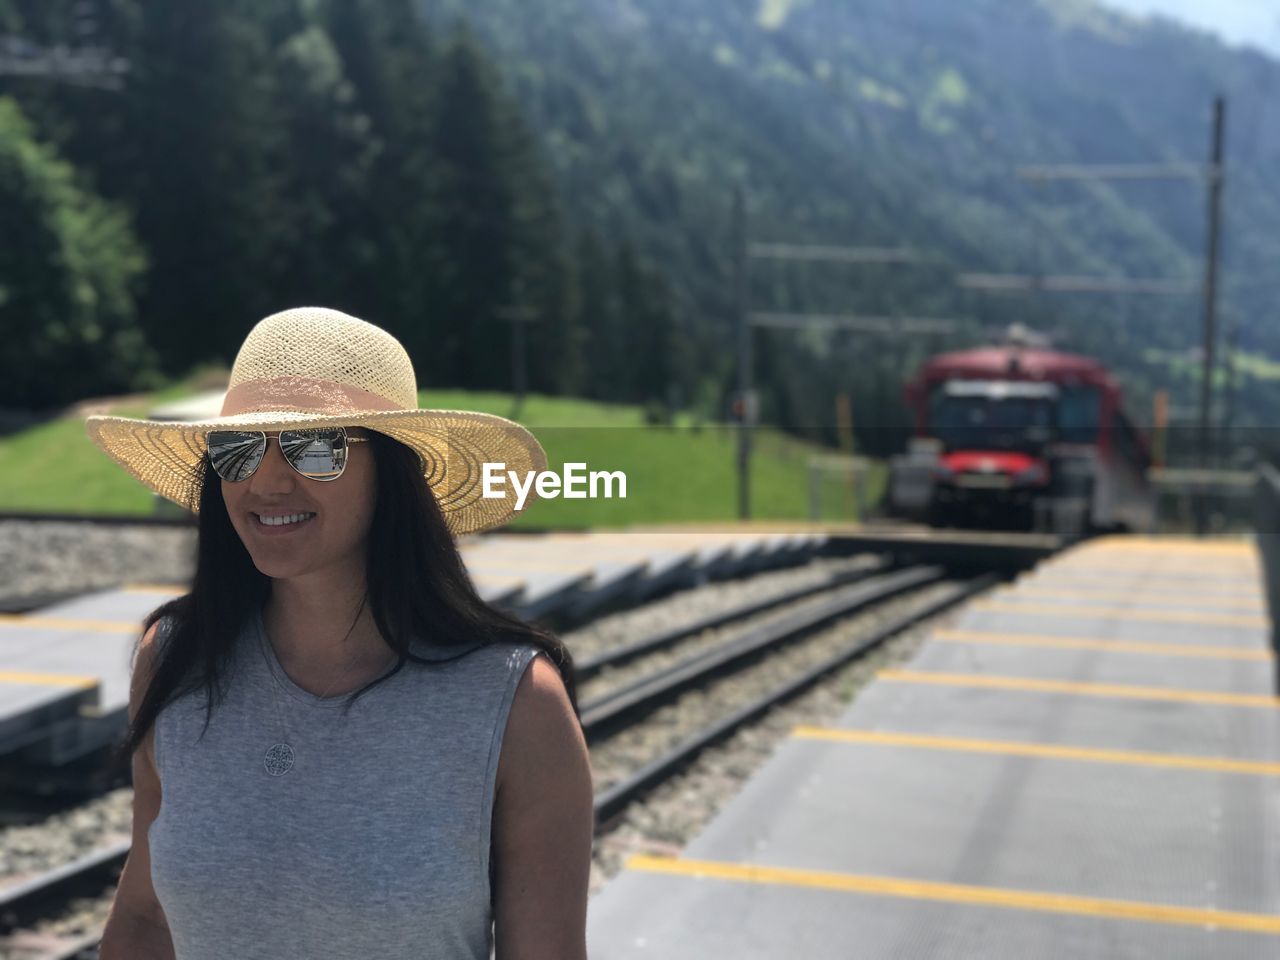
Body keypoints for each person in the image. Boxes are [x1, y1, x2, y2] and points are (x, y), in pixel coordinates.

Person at [87, 306, 594, 959]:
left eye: (316, 447)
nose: (268, 480)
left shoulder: (518, 706)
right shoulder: (176, 663)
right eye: (237, 449)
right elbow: (145, 919)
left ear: (394, 470)